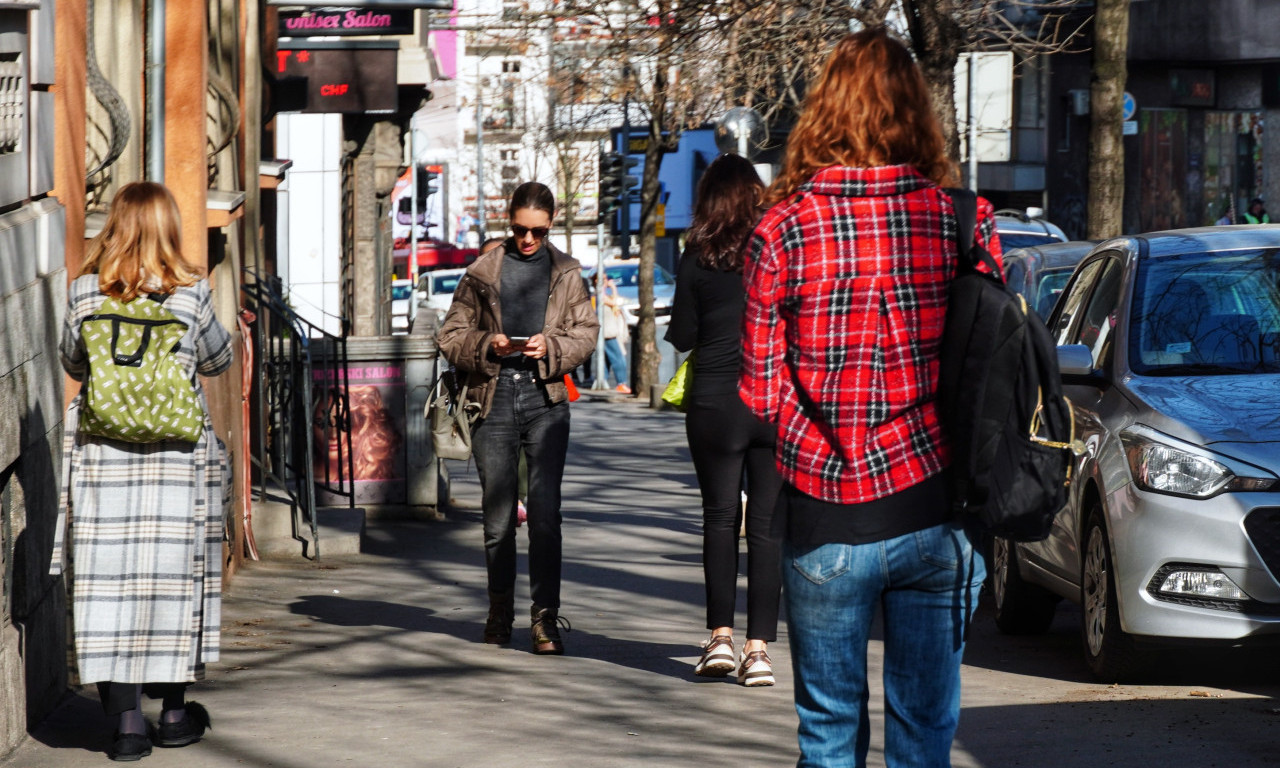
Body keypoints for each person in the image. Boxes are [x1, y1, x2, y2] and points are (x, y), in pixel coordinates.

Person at [739, 28, 995, 767]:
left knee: (827, 737)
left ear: (824, 110)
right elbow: (988, 369)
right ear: (916, 111)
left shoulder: (782, 228)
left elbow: (758, 390)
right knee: (924, 737)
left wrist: (815, 430)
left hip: (826, 514)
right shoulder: (962, 219)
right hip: (937, 509)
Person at [51, 181, 232, 761]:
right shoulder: (191, 294)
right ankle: (174, 715)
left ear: (114, 226)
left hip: (104, 462)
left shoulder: (84, 293)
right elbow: (218, 359)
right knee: (171, 584)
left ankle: (128, 726)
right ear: (168, 229)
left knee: (110, 587)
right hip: (177, 465)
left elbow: (73, 361)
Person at [437, 181, 599, 654]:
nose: (528, 239)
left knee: (546, 516)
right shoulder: (482, 272)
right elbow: (450, 335)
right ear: (509, 223)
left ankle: (545, 619)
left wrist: (553, 347)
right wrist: (488, 344)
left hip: (546, 399)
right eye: (519, 229)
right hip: (493, 397)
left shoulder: (567, 273)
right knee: (498, 519)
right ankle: (499, 611)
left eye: (538, 232)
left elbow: (586, 334)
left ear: (551, 225)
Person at [666, 154, 783, 687]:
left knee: (719, 518)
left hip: (715, 400)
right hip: (772, 398)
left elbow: (683, 335)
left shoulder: (696, 255)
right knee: (766, 527)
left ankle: (719, 638)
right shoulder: (776, 249)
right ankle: (758, 651)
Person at [600, 277, 631, 392]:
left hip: (610, 331)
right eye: (604, 280)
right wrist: (611, 287)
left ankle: (602, 380)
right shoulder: (599, 296)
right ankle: (621, 383)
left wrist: (612, 289)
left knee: (606, 359)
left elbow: (615, 301)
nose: (607, 282)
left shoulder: (605, 296)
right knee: (619, 358)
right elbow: (614, 302)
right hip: (607, 332)